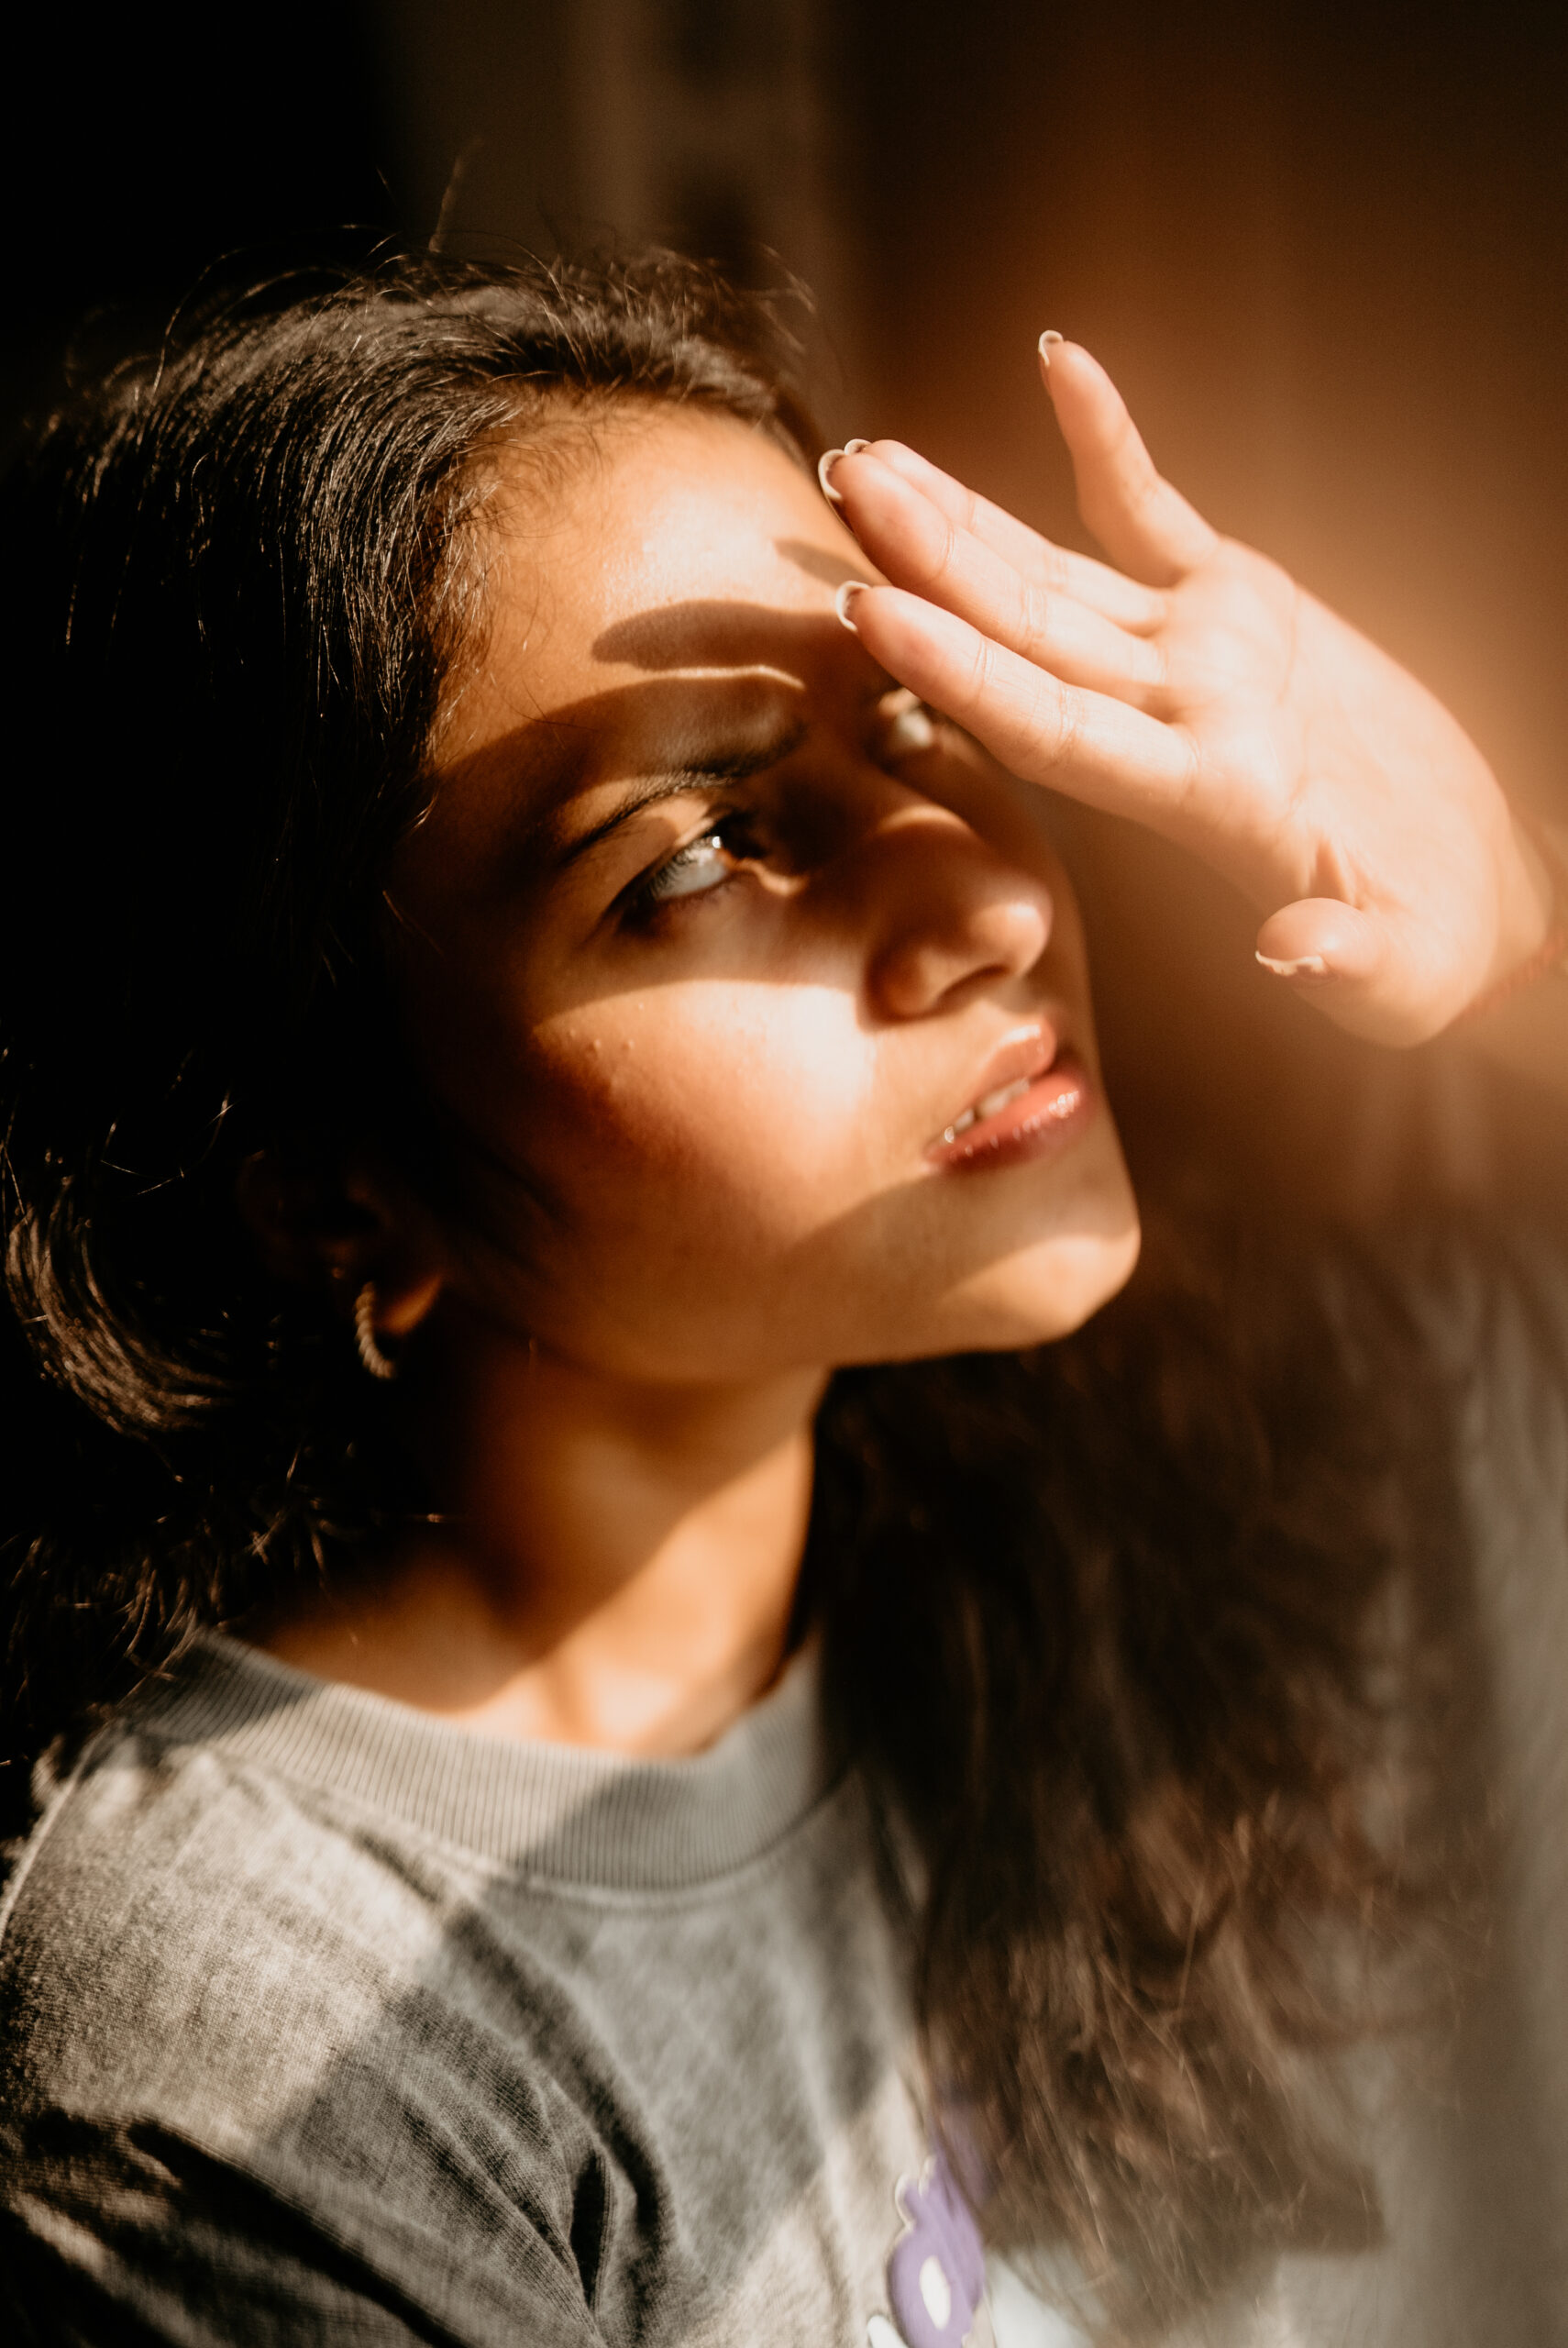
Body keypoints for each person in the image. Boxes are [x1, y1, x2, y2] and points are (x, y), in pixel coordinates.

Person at [0, 254, 1562, 2348]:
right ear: (322, 1184)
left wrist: (1520, 920)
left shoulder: (1263, 1457)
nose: (991, 897)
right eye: (705, 850)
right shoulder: (260, 2034)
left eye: (929, 717)